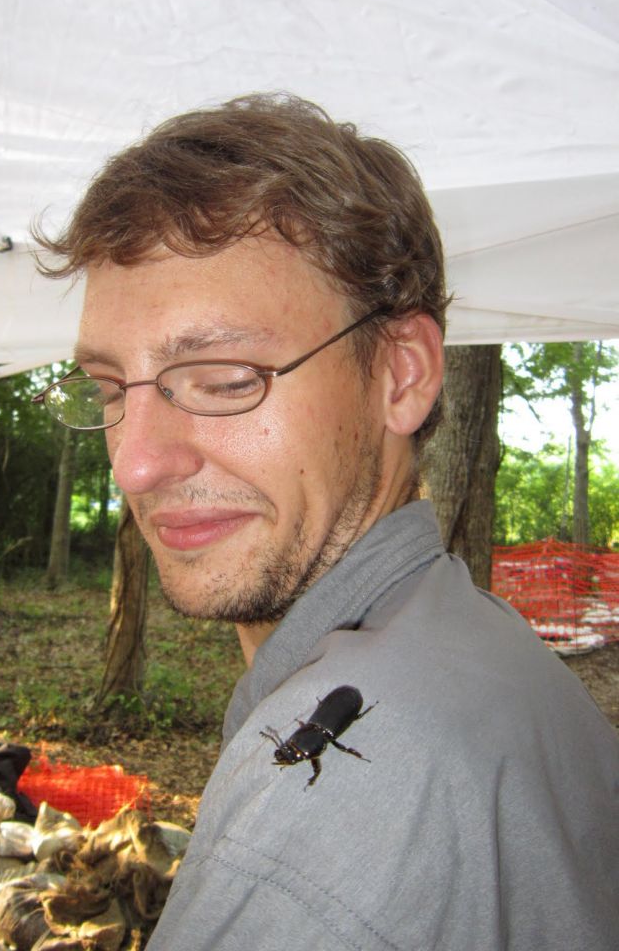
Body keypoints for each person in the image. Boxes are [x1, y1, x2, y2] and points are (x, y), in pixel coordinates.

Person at [33, 94, 618, 950]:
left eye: (225, 378)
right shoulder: (480, 644)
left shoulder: (310, 842)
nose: (136, 465)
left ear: (400, 375)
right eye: (108, 389)